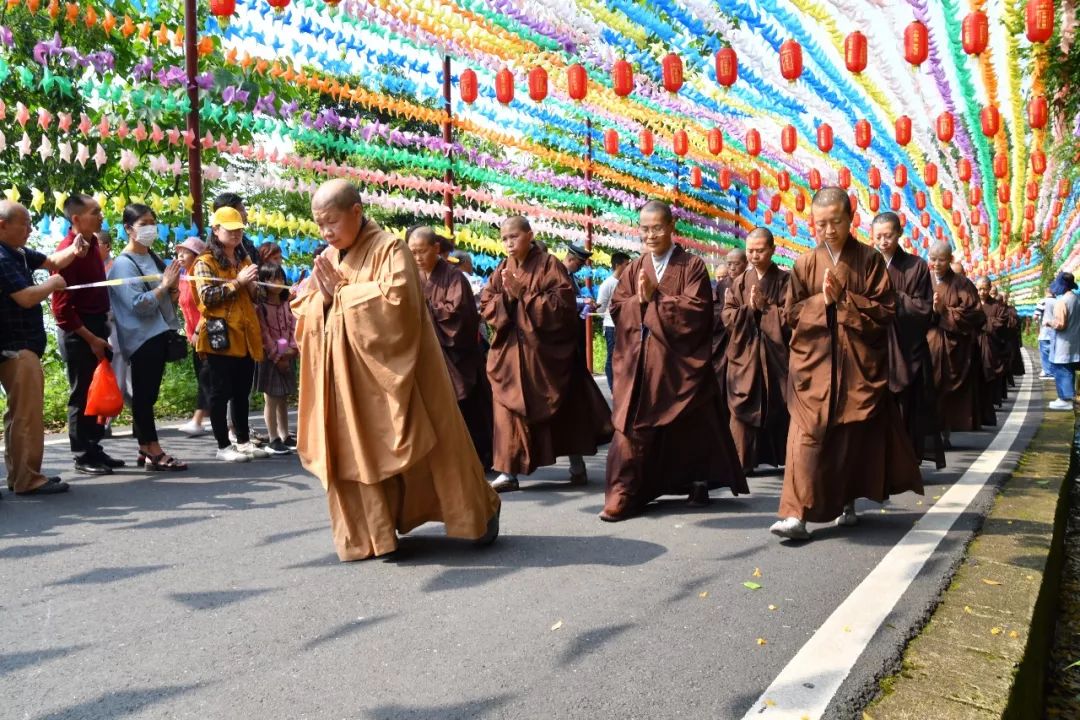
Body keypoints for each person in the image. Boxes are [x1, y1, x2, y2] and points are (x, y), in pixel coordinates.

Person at [294, 179, 500, 561]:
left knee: (435, 445)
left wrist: (339, 295)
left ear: (356, 212)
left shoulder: (391, 249)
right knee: (355, 453)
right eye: (320, 224)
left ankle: (477, 514)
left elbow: (398, 302)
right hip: (347, 381)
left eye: (332, 223)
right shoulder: (329, 256)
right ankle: (375, 533)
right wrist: (320, 301)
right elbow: (307, 307)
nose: (326, 232)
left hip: (398, 376)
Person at [771, 188, 922, 541]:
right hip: (814, 367)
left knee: (848, 440)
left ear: (850, 219)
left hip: (856, 366)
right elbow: (790, 314)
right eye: (820, 223)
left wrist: (845, 300)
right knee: (804, 438)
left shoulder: (868, 260)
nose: (828, 230)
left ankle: (847, 501)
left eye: (835, 222)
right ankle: (796, 515)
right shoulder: (805, 264)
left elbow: (885, 311)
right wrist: (822, 303)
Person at [602, 201, 747, 521]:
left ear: (671, 229)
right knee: (631, 428)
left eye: (656, 228)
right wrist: (640, 301)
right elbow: (617, 307)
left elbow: (697, 311)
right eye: (644, 229)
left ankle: (696, 480)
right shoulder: (634, 267)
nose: (650, 235)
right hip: (640, 362)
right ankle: (624, 490)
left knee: (692, 424)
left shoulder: (691, 265)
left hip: (678, 360)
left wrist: (656, 298)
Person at [480, 216, 613, 492]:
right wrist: (506, 297)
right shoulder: (502, 268)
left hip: (546, 355)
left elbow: (562, 307)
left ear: (530, 235)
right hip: (512, 354)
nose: (509, 243)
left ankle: (577, 465)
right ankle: (507, 471)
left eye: (514, 236)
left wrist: (523, 295)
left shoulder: (550, 265)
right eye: (504, 238)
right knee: (507, 408)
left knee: (564, 407)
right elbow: (487, 302)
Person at [0, 200, 84, 496]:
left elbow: (53, 262)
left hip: (22, 347)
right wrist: (52, 286)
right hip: (15, 347)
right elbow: (23, 297)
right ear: (3, 225)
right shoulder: (1, 256)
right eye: (24, 223)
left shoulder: (19, 253)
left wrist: (75, 249)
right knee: (26, 415)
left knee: (19, 414)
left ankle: (20, 475)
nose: (30, 229)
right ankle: (27, 479)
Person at [106, 204, 187, 471]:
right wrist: (164, 286)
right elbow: (139, 305)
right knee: (143, 396)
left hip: (159, 333)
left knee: (148, 395)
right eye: (144, 223)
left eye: (153, 221)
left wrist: (172, 289)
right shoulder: (122, 264)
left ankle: (144, 447)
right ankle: (153, 449)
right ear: (129, 229)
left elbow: (165, 301)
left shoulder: (153, 258)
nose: (151, 228)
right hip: (140, 337)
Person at [406, 224, 493, 469]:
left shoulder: (454, 277)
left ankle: (478, 458)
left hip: (456, 357)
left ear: (436, 248)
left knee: (466, 408)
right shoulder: (412, 276)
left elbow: (460, 317)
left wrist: (426, 310)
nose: (417, 258)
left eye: (422, 251)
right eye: (412, 252)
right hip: (425, 355)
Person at [51, 194, 125, 475]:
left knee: (97, 390)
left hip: (97, 326)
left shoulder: (94, 244)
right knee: (81, 393)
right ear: (76, 219)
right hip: (79, 331)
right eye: (95, 212)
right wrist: (91, 338)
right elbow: (61, 310)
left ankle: (94, 446)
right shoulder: (67, 251)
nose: (101, 216)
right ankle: (82, 454)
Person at [192, 206, 269, 463]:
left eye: (239, 230)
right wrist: (238, 282)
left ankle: (244, 441)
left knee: (241, 392)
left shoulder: (245, 260)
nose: (236, 234)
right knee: (219, 392)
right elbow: (206, 298)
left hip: (245, 334)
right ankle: (223, 445)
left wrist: (254, 286)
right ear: (216, 230)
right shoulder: (205, 262)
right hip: (219, 336)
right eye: (230, 229)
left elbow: (257, 297)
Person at [872, 212, 943, 469]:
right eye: (878, 236)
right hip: (874, 347)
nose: (883, 241)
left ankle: (906, 463)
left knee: (907, 408)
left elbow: (924, 309)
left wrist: (895, 297)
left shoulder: (916, 265)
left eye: (888, 235)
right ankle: (877, 463)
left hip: (905, 347)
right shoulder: (867, 262)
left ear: (899, 233)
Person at [723, 227, 790, 473]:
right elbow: (728, 316)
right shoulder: (739, 282)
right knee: (743, 406)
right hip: (746, 354)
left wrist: (767, 309)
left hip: (776, 356)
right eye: (750, 251)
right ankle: (743, 460)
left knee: (780, 404)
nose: (754, 256)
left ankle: (785, 458)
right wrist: (750, 310)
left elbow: (793, 316)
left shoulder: (785, 280)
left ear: (772, 250)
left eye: (760, 251)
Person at [925, 242, 985, 444]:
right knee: (928, 388)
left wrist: (944, 311)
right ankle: (928, 432)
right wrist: (929, 311)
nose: (936, 263)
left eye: (941, 259)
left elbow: (975, 314)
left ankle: (946, 432)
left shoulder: (962, 283)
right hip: (928, 344)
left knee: (947, 391)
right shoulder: (923, 280)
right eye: (932, 259)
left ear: (950, 260)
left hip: (953, 346)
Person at [255, 262, 297, 455]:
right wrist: (277, 356)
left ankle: (285, 434)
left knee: (283, 398)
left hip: (287, 356)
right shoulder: (261, 307)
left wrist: (292, 349)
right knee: (271, 398)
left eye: (279, 278)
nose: (277, 282)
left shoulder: (286, 304)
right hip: (270, 359)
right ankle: (273, 438)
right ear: (262, 282)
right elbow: (264, 334)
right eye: (271, 279)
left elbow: (292, 327)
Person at [174, 237, 210, 437]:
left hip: (205, 333)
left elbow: (208, 307)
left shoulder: (200, 276)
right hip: (193, 336)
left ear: (197, 257)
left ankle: (197, 420)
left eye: (185, 252)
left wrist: (197, 330)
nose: (180, 255)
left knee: (206, 377)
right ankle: (218, 419)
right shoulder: (184, 277)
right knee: (203, 376)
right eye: (178, 251)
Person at [96, 229, 130, 438]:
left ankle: (105, 420)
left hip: (117, 328)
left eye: (96, 243)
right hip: (99, 328)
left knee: (118, 374)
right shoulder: (92, 267)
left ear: (107, 246)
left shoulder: (116, 267)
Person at [711, 248, 746, 417]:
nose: (732, 268)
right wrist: (724, 312)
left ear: (745, 264)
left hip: (742, 338)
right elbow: (715, 309)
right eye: (729, 264)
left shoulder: (750, 282)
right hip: (722, 340)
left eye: (736, 264)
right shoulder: (722, 285)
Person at [975, 277, 1010, 423]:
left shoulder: (998, 306)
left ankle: (988, 413)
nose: (982, 292)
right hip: (974, 345)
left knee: (989, 379)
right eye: (979, 289)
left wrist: (981, 322)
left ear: (990, 289)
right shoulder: (973, 303)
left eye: (985, 289)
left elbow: (1000, 323)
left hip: (991, 346)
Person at [595, 252, 631, 395]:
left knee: (625, 358)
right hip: (611, 326)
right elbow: (600, 308)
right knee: (612, 357)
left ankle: (623, 387)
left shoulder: (627, 282)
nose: (629, 267)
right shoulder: (608, 284)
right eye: (626, 264)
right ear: (618, 265)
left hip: (625, 325)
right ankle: (613, 388)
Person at [1048, 272, 1080, 410]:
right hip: (1076, 340)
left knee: (1062, 369)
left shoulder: (1062, 302)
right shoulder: (1077, 298)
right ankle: (1067, 397)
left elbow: (1060, 324)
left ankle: (1065, 398)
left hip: (1064, 342)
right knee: (1070, 368)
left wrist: (1050, 322)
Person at [1036, 288, 1055, 379]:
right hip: (1056, 332)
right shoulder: (1058, 301)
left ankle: (1047, 372)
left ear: (1045, 292)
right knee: (1053, 352)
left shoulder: (1042, 302)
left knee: (1044, 353)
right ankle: (1053, 371)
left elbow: (1036, 316)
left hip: (1045, 332)